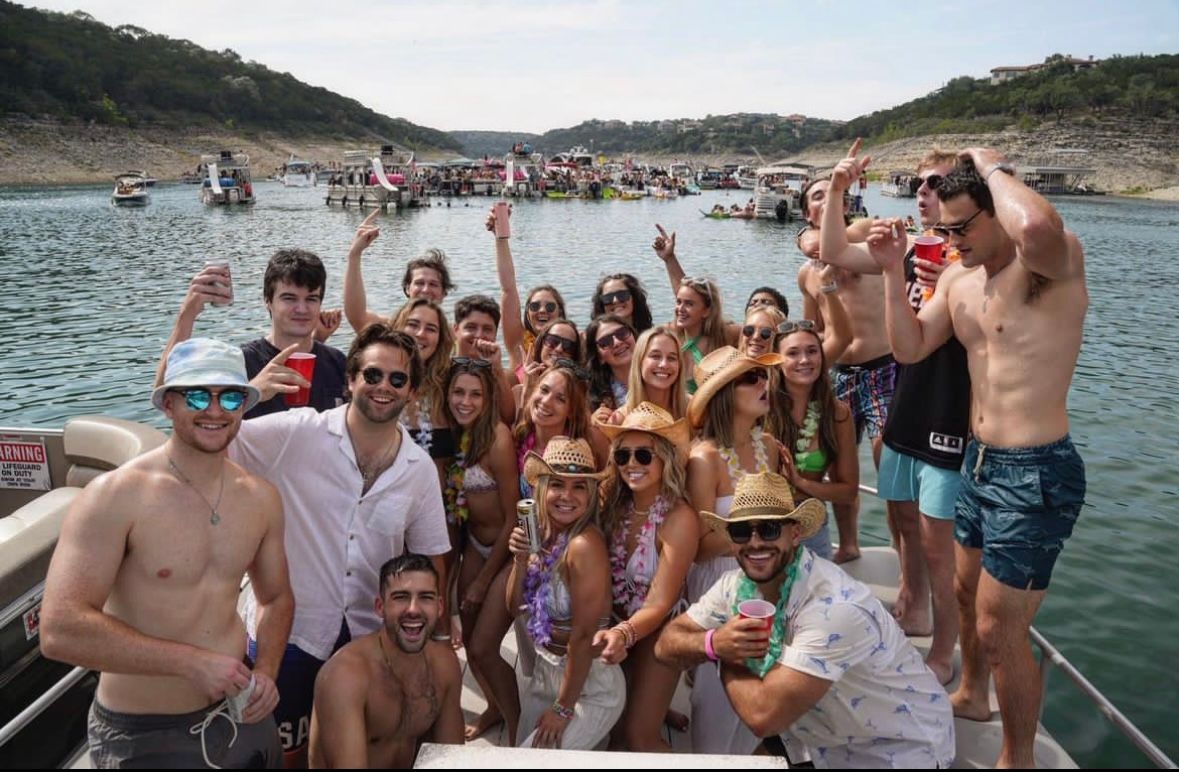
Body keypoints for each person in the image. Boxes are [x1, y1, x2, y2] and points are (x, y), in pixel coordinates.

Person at [866, 149, 1087, 768]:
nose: (950, 237)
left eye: (962, 226)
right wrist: (889, 273)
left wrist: (989, 165)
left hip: (1037, 467)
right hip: (979, 461)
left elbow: (1038, 226)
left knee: (998, 625)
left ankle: (1017, 760)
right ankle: (971, 694)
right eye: (943, 228)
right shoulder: (959, 279)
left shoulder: (1052, 263)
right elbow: (909, 348)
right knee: (963, 595)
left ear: (997, 213)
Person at [42, 339, 294, 769]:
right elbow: (59, 628)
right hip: (145, 734)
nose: (215, 411)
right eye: (197, 395)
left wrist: (267, 670)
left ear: (244, 406)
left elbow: (276, 598)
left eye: (230, 396)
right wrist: (190, 663)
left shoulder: (260, 499)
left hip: (240, 712)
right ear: (169, 404)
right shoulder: (116, 497)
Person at [229, 323, 452, 765]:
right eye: (372, 375)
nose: (383, 387)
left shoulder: (419, 468)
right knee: (280, 753)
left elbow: (431, 555)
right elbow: (209, 435)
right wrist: (248, 393)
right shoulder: (296, 434)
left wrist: (434, 635)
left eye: (397, 379)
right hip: (290, 634)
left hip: (368, 638)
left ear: (412, 393)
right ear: (350, 380)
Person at [655, 471, 954, 768]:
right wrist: (713, 642)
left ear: (795, 533)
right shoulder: (733, 586)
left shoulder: (834, 608)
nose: (755, 543)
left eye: (769, 529)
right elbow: (666, 645)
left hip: (895, 752)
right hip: (818, 741)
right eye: (741, 532)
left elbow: (763, 716)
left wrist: (727, 654)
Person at [822, 144, 967, 682]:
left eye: (937, 184)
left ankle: (945, 645)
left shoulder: (975, 261)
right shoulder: (911, 251)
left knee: (940, 540)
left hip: (948, 412)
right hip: (905, 402)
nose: (924, 191)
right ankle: (913, 601)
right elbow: (834, 250)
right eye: (921, 183)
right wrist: (838, 187)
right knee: (901, 512)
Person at [593, 404, 698, 751]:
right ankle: (654, 704)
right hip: (615, 623)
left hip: (661, 629)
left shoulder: (679, 518)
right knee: (612, 735)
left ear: (665, 458)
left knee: (638, 738)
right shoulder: (611, 502)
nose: (632, 465)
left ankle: (654, 704)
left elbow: (660, 602)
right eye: (622, 456)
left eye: (643, 455)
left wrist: (623, 633)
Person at [507, 437, 624, 749]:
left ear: (590, 494)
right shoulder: (542, 536)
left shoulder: (583, 545)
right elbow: (514, 608)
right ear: (542, 489)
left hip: (589, 687)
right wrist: (520, 560)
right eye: (557, 484)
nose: (567, 496)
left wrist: (563, 709)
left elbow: (584, 636)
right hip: (547, 673)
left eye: (579, 486)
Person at [307, 554, 463, 768]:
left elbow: (451, 758)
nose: (414, 609)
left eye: (425, 597)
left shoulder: (445, 665)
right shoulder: (345, 677)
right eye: (401, 597)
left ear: (440, 607)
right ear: (380, 607)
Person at [440, 358, 523, 744]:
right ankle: (493, 707)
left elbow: (511, 518)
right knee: (470, 650)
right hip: (473, 543)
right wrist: (452, 575)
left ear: (488, 398)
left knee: (484, 648)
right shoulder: (453, 436)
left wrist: (483, 581)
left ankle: (518, 722)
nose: (466, 401)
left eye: (475, 393)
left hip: (507, 549)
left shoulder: (497, 438)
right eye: (458, 392)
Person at [159, 250, 348, 419]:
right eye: (289, 298)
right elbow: (165, 399)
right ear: (268, 301)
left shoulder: (337, 362)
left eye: (311, 299)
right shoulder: (239, 362)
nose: (302, 309)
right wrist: (187, 314)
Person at [343, 211, 455, 331]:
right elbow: (357, 317)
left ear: (444, 292)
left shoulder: (453, 338)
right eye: (419, 283)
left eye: (433, 284)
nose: (425, 289)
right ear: (407, 288)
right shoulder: (391, 329)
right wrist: (355, 254)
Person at [590, 273, 655, 335]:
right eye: (608, 298)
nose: (615, 301)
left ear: (634, 297)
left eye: (622, 295)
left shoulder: (651, 338)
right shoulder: (591, 340)